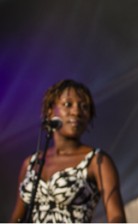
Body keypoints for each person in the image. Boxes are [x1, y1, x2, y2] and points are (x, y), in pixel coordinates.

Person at [9, 79, 127, 223]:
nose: (77, 111)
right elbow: (16, 218)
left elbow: (116, 216)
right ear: (50, 111)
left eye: (84, 107)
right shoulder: (30, 163)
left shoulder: (97, 161)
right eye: (68, 104)